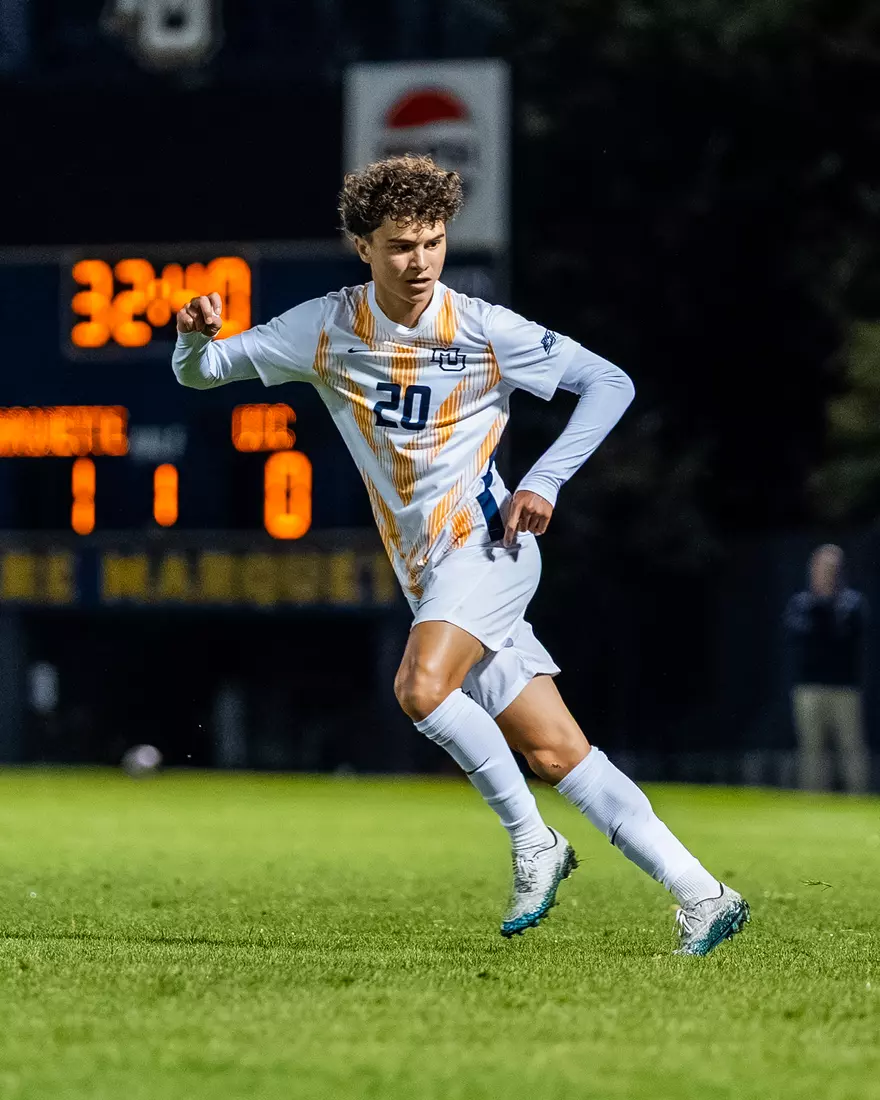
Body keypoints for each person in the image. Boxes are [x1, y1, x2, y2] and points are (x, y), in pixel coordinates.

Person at [172, 155, 749, 955]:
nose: (420, 262)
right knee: (555, 752)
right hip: (430, 575)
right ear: (362, 247)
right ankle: (703, 892)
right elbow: (204, 374)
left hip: (490, 549)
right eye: (402, 246)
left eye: (434, 243)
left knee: (418, 686)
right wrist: (188, 338)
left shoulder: (482, 328)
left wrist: (544, 479)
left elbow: (609, 382)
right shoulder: (326, 327)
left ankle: (534, 844)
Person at [784, 544, 869, 792]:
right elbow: (800, 637)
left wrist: (830, 607)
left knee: (851, 748)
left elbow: (846, 638)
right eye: (823, 567)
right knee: (811, 750)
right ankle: (812, 800)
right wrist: (820, 605)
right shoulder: (801, 604)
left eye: (833, 569)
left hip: (844, 688)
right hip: (809, 687)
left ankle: (858, 798)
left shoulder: (851, 604)